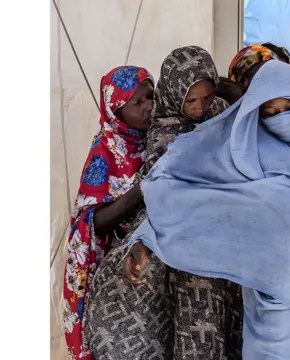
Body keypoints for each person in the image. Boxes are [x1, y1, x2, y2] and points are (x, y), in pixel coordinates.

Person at [125, 60, 290, 360]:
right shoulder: (245, 155)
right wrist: (148, 235)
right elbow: (197, 199)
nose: (281, 119)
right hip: (274, 298)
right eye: (270, 113)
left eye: (288, 108)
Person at [87, 46, 242, 360]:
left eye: (207, 97)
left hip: (225, 234)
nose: (200, 108)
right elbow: (167, 196)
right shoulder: (163, 136)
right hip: (184, 242)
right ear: (173, 94)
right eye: (191, 100)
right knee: (197, 324)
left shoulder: (221, 113)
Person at [63, 65, 154, 360]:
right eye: (137, 102)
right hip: (110, 274)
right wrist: (136, 195)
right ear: (116, 108)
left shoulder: (158, 140)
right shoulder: (105, 151)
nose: (148, 107)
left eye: (151, 98)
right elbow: (91, 223)